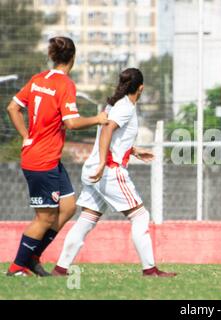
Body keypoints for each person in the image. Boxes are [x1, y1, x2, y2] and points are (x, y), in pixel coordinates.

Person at [51, 68, 176, 277]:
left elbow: (114, 136)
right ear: (141, 88)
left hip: (95, 169)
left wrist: (134, 151)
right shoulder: (125, 107)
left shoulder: (114, 105)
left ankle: (60, 269)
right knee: (140, 216)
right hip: (108, 170)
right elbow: (108, 129)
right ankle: (150, 270)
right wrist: (102, 163)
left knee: (87, 218)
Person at [6, 37, 108, 276]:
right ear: (73, 57)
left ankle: (32, 257)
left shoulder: (39, 79)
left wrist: (26, 135)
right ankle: (17, 267)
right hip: (42, 161)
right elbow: (71, 122)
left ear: (52, 57)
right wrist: (97, 119)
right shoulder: (65, 84)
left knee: (68, 207)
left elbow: (13, 107)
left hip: (47, 158)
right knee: (44, 217)